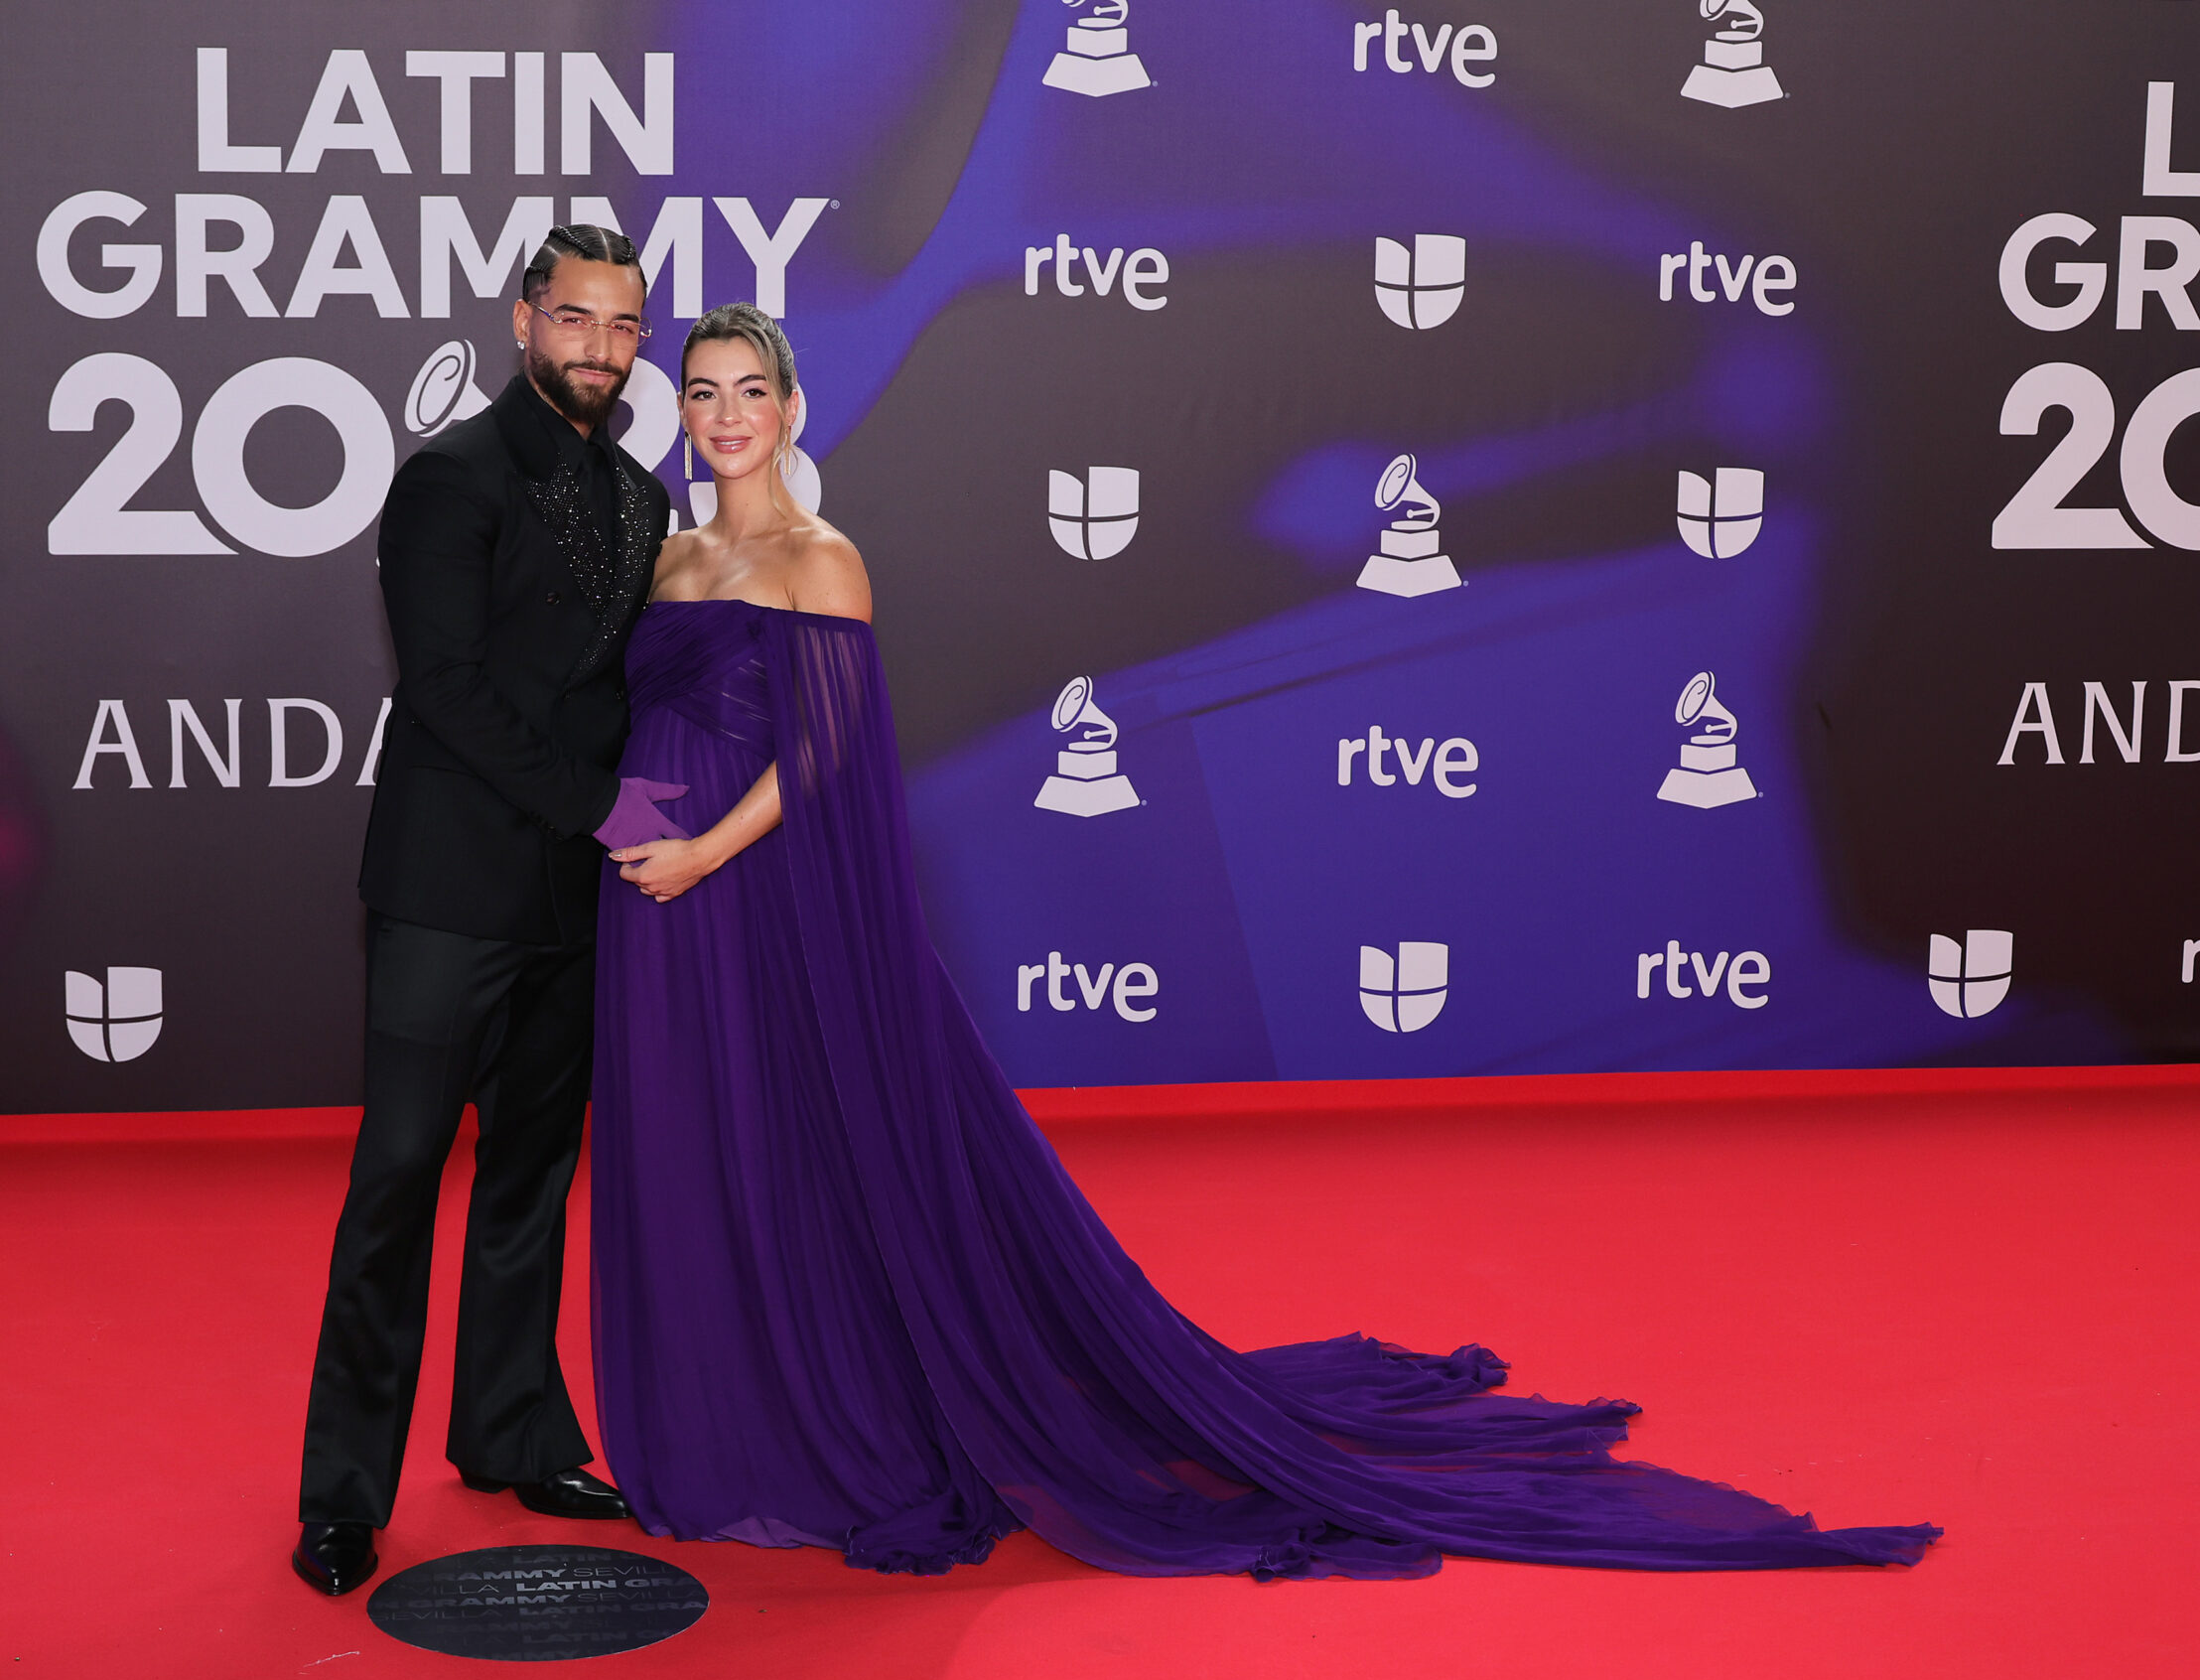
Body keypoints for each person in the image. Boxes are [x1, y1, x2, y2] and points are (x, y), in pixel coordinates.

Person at [585, 303, 1941, 1580]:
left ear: (791, 406)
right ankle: (724, 1414)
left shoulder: (823, 558)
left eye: (750, 391)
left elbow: (827, 748)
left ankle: (833, 1413)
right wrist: (639, 838)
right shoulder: (672, 556)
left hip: (768, 893)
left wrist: (703, 849)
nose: (726, 415)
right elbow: (646, 718)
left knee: (804, 1141)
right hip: (657, 898)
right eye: (704, 393)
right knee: (698, 1142)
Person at [293, 226, 690, 1598]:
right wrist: (612, 812)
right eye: (575, 319)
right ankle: (344, 1491)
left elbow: (639, 690)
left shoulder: (642, 495)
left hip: (575, 907)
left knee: (531, 1179)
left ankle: (513, 1427)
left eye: (625, 327)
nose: (599, 348)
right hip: (448, 893)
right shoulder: (449, 480)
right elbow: (450, 693)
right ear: (524, 319)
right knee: (397, 1183)